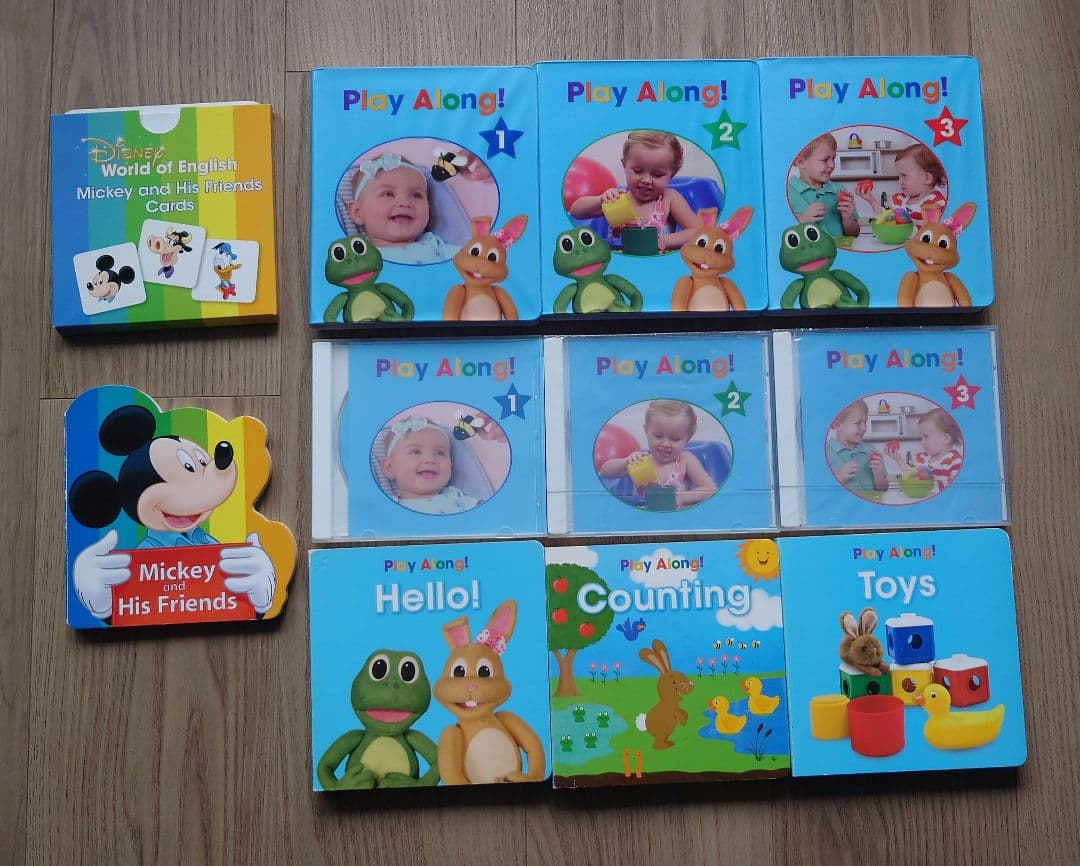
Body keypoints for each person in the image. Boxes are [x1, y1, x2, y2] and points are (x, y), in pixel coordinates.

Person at [569, 131, 699, 251]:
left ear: (672, 175)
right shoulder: (618, 198)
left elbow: (696, 230)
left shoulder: (668, 199)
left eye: (658, 174)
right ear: (625, 165)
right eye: (638, 171)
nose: (646, 180)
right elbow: (576, 212)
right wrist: (600, 200)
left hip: (655, 262)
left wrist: (664, 241)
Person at [600, 400, 717, 508]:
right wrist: (625, 462)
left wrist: (681, 497)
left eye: (675, 439)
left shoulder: (685, 460)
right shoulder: (642, 461)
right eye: (658, 436)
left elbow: (710, 489)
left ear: (687, 438)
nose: (665, 444)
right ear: (646, 431)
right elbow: (605, 472)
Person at [346, 154, 458, 264]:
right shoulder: (358, 258)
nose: (405, 203)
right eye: (388, 194)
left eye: (416, 195)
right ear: (358, 213)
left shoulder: (434, 244)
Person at [381, 417, 479, 514]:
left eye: (440, 453)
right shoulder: (388, 509)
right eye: (415, 452)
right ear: (389, 468)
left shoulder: (456, 496)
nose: (430, 459)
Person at [788, 132, 859, 238]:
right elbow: (780, 233)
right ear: (800, 162)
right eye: (825, 160)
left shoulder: (839, 190)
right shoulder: (788, 191)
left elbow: (854, 233)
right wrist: (803, 219)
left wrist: (847, 219)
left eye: (833, 158)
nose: (832, 165)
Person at [857, 143, 947, 224]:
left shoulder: (936, 203)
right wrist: (872, 201)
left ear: (927, 178)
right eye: (899, 176)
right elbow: (884, 220)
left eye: (904, 176)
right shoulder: (899, 200)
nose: (899, 181)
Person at [827, 399, 889, 496]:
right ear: (838, 425)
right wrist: (841, 476)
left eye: (865, 422)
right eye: (858, 423)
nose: (864, 428)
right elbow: (820, 491)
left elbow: (884, 488)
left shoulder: (871, 451)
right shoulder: (827, 452)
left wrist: (879, 474)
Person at [913, 408, 964, 491]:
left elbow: (956, 488)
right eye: (921, 437)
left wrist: (929, 485)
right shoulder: (923, 458)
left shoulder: (954, 460)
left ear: (945, 439)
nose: (922, 442)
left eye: (926, 436)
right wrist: (898, 459)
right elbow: (910, 475)